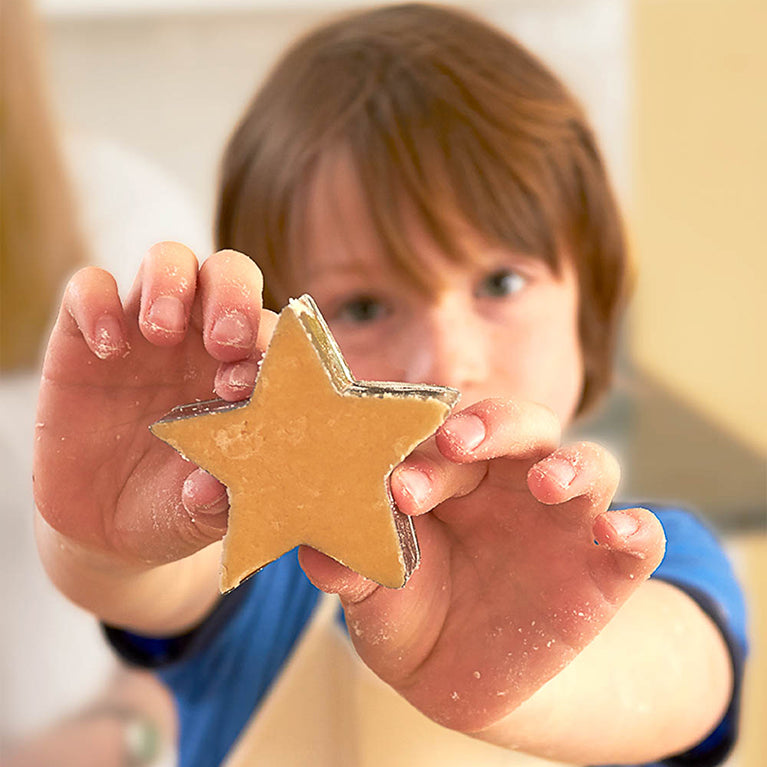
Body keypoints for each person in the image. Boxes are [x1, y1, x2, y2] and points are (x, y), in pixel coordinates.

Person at [32, 4, 747, 766]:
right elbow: (145, 581)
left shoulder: (650, 559)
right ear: (272, 339)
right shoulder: (266, 568)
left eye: (500, 282)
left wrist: (513, 662)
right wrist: (101, 540)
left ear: (591, 301)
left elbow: (658, 680)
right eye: (365, 306)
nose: (445, 361)